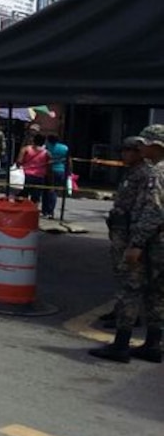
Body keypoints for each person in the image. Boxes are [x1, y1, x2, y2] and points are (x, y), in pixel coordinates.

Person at [89, 125, 164, 364]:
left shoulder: (156, 173)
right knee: (156, 292)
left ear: (156, 145)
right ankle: (153, 344)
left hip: (149, 240)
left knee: (130, 287)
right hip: (156, 240)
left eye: (144, 143)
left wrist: (137, 243)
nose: (141, 148)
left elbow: (154, 210)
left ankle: (121, 344)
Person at [97, 137, 150, 329]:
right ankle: (120, 309)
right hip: (119, 228)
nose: (124, 154)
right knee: (119, 271)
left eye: (128, 150)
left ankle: (129, 314)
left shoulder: (144, 174)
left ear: (138, 152)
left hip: (129, 230)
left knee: (129, 274)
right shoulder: (131, 172)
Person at [16, 134, 49, 209]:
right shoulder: (47, 153)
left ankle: (21, 211)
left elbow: (19, 161)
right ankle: (33, 213)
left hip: (25, 176)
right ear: (43, 142)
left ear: (34, 140)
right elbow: (49, 168)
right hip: (39, 177)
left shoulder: (26, 149)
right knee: (35, 198)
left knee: (22, 196)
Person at [43, 134, 70, 219]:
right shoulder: (65, 148)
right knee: (54, 191)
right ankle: (50, 210)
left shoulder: (46, 147)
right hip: (61, 171)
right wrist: (69, 172)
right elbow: (69, 161)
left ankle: (46, 210)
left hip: (49, 171)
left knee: (47, 191)